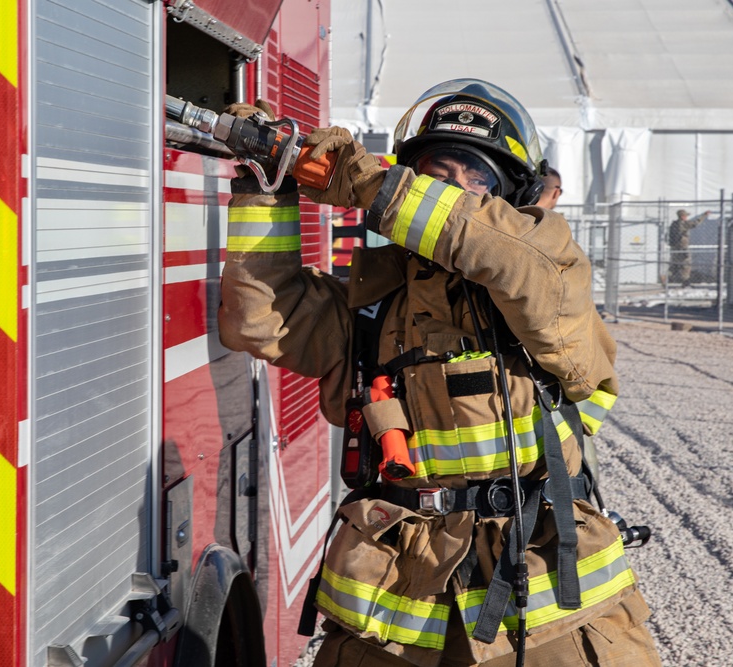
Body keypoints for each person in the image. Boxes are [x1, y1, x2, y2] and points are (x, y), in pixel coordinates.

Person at [218, 79, 659, 666]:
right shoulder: (371, 308)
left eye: (475, 178)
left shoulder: (546, 272)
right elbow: (260, 320)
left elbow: (496, 248)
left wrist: (360, 178)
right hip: (395, 611)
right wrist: (264, 183)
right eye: (435, 170)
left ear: (513, 194)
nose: (451, 188)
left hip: (548, 614)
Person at [667, 208, 710, 287]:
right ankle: (685, 282)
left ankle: (669, 279)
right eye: (686, 216)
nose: (686, 217)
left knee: (674, 264)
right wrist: (704, 215)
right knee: (686, 265)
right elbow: (696, 223)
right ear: (682, 216)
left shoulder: (674, 224)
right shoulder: (684, 223)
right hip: (682, 248)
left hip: (674, 248)